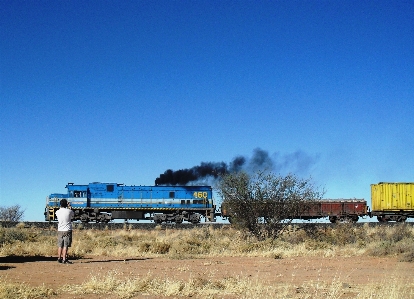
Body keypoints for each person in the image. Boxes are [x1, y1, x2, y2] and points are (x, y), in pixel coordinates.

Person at [56, 199, 74, 264]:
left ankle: (59, 258)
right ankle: (64, 259)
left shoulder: (57, 212)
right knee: (65, 245)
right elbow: (73, 216)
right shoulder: (69, 211)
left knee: (60, 245)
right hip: (67, 230)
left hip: (60, 230)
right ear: (66, 204)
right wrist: (69, 207)